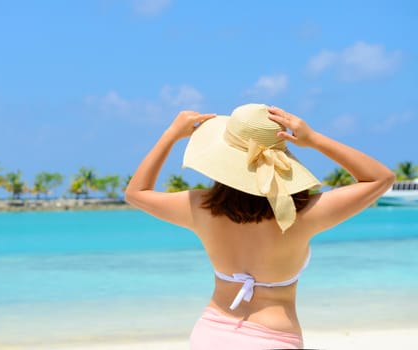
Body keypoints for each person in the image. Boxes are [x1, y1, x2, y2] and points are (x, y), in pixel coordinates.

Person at [124, 103, 394, 349]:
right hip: (273, 340)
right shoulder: (304, 215)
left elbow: (136, 193)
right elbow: (380, 178)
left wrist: (171, 134)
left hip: (211, 334)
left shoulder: (200, 207)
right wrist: (313, 140)